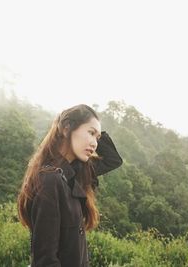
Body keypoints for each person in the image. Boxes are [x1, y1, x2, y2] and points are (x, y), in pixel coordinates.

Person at [17, 104, 123, 267]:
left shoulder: (76, 173)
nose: (95, 143)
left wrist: (94, 133)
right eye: (90, 133)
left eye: (97, 138)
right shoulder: (50, 181)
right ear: (66, 128)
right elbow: (45, 261)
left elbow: (113, 160)